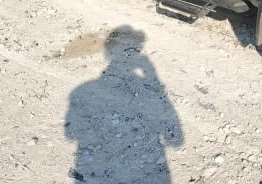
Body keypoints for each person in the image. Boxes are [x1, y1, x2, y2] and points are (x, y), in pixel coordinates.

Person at [65, 25, 183, 183]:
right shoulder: (82, 91)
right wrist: (151, 73)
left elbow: (71, 134)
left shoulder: (81, 91)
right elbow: (176, 140)